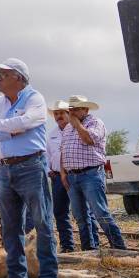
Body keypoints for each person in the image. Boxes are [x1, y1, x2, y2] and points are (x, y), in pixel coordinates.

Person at [0, 58, 58, 278]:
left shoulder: (35, 97)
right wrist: (13, 132)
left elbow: (30, 120)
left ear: (18, 78)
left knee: (42, 222)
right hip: (5, 168)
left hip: (32, 165)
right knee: (10, 226)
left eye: (4, 74)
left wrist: (0, 126)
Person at [59, 94, 126, 250]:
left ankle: (119, 248)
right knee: (80, 217)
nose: (73, 112)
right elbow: (63, 150)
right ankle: (89, 249)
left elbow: (89, 139)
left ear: (86, 109)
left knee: (100, 213)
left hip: (91, 174)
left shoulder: (95, 122)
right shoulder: (68, 128)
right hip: (72, 176)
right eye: (71, 109)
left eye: (76, 109)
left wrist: (77, 125)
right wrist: (63, 173)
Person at [46, 101, 97, 252]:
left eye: (61, 113)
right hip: (57, 177)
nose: (58, 116)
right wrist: (48, 169)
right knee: (60, 212)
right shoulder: (51, 135)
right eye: (56, 114)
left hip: (75, 174)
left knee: (84, 211)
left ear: (69, 114)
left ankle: (92, 245)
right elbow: (46, 155)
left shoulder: (76, 130)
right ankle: (67, 246)